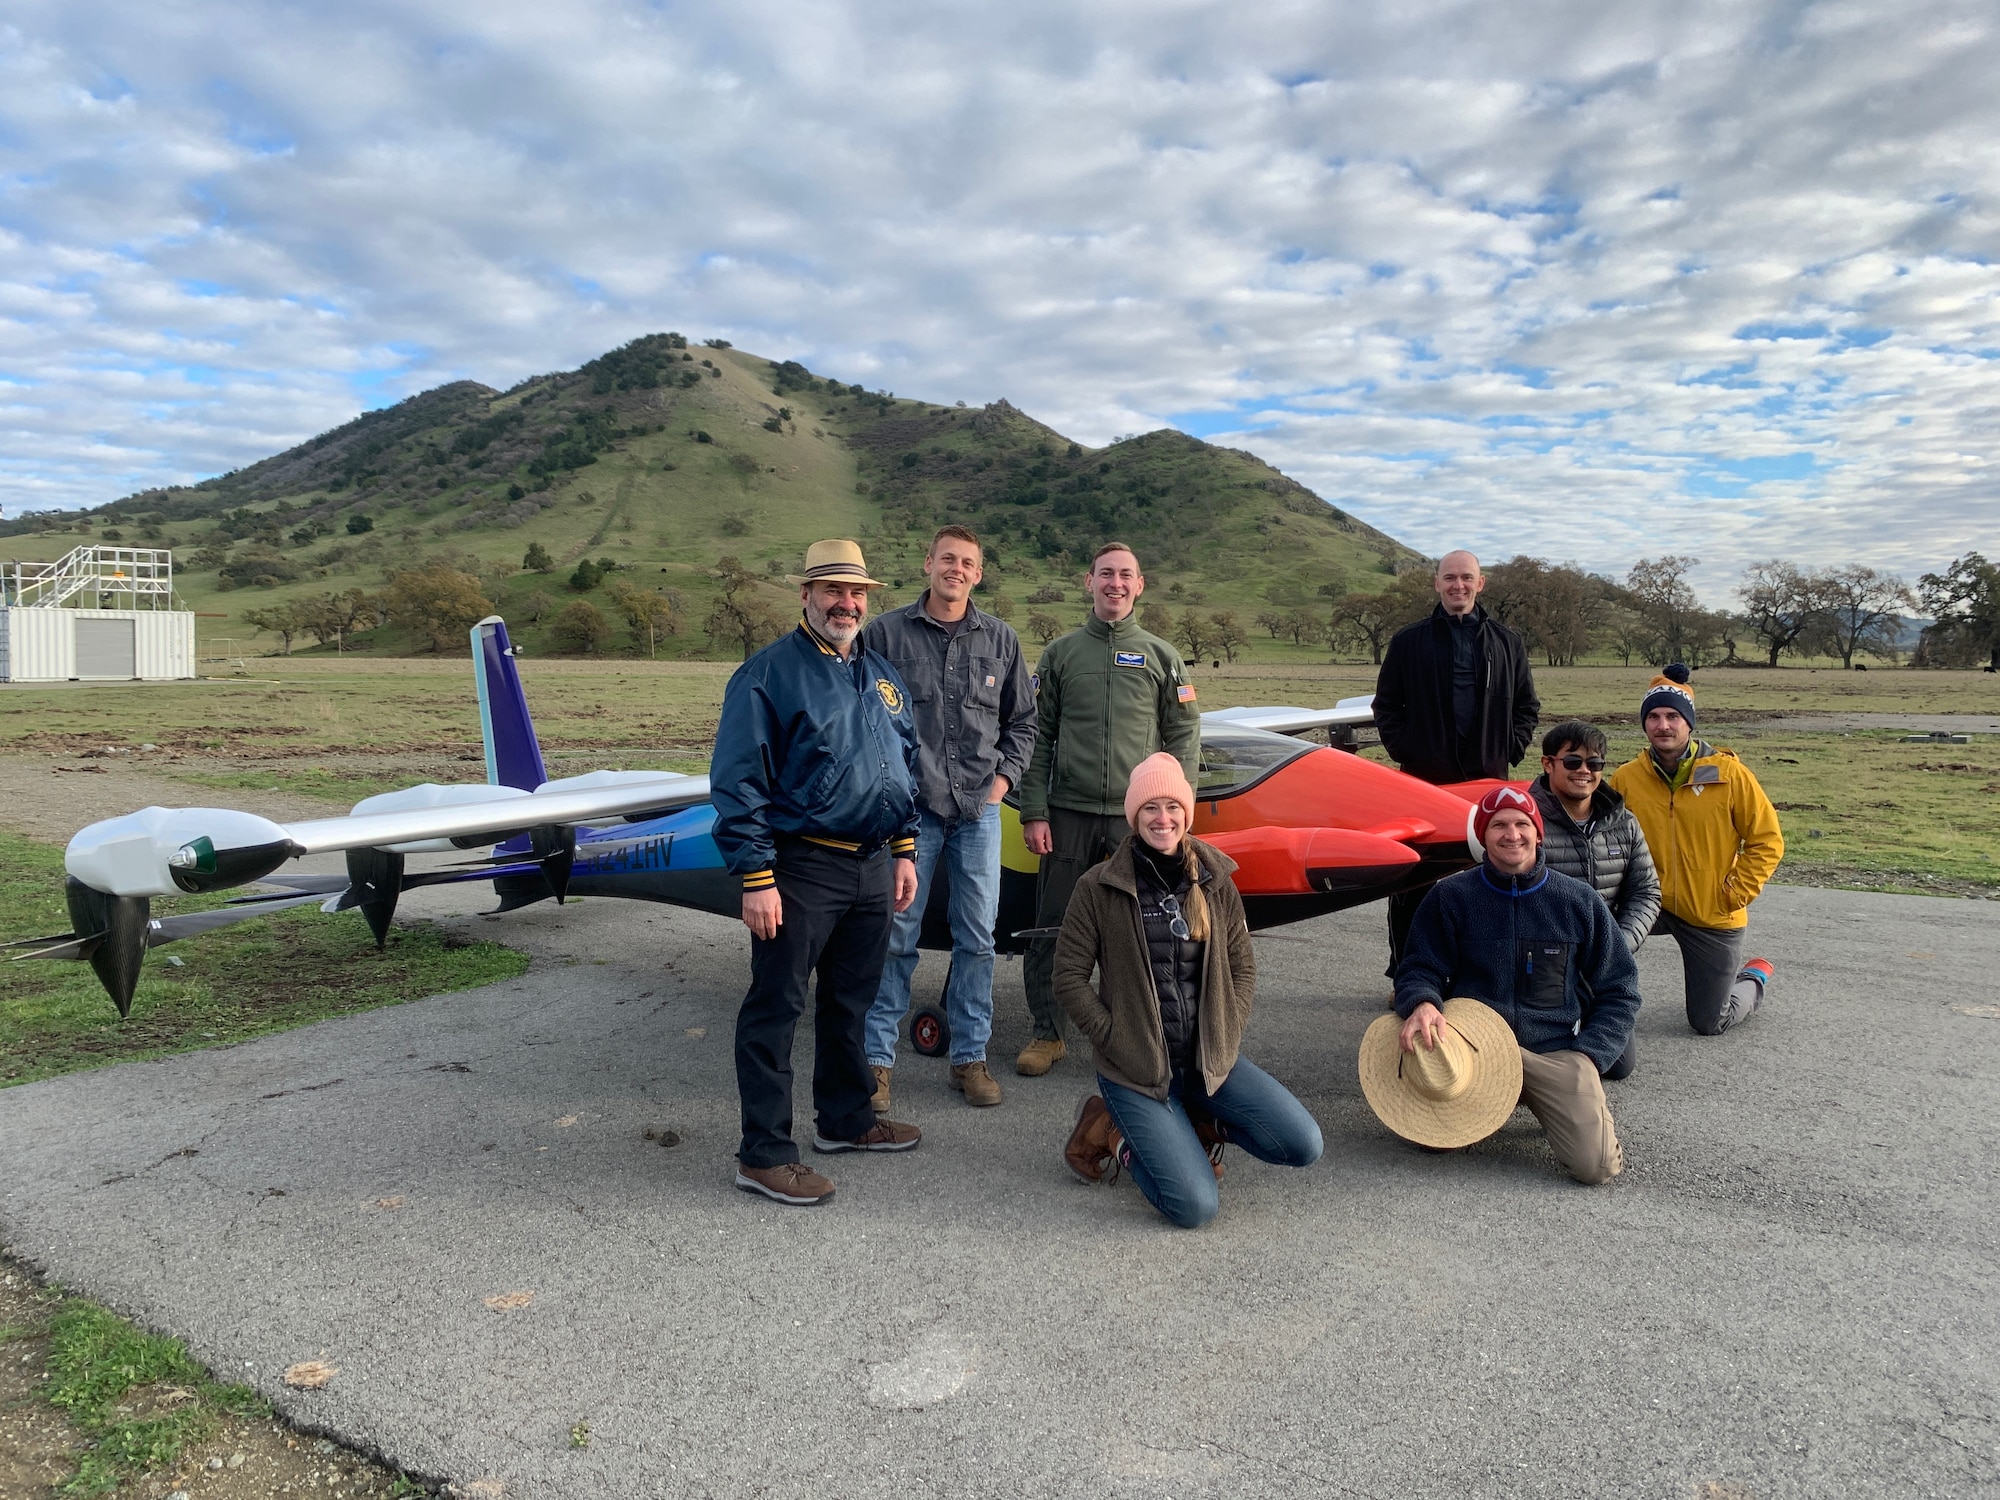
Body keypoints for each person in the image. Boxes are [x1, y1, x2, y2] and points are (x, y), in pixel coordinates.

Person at [710, 539, 925, 1206]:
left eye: (856, 592)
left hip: (870, 864)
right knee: (776, 1007)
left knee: (850, 1003)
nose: (846, 602)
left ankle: (846, 1119)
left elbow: (904, 761)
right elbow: (739, 779)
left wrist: (906, 848)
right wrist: (756, 877)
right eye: (832, 589)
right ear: (805, 595)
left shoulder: (878, 671)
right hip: (800, 865)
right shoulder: (767, 675)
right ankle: (764, 1152)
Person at [1054, 754, 1323, 1228]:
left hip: (1208, 1064)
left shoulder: (1215, 880)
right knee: (1195, 1207)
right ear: (1133, 816)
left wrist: (1227, 1030)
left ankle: (1195, 1122)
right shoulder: (1097, 888)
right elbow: (1068, 978)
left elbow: (1242, 967)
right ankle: (1112, 1132)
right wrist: (1115, 1039)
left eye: (1172, 807)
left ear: (1187, 812)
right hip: (1137, 1071)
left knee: (1302, 1143)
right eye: (1151, 808)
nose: (1164, 819)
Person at [1377, 785, 1640, 1184]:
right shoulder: (1450, 896)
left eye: (1521, 824)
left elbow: (1620, 989)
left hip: (1555, 1052)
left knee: (1596, 1168)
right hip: (1472, 1050)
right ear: (1483, 836)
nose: (1511, 834)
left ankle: (1572, 1108)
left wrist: (1590, 1055)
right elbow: (1417, 968)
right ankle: (1493, 1107)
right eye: (1498, 825)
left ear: (1538, 832)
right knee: (1434, 1144)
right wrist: (1423, 1002)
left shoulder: (1578, 901)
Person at [858, 525, 1036, 1111]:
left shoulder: (1002, 640)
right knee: (898, 936)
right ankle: (877, 1064)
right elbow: (861, 716)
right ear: (928, 563)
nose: (956, 569)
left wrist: (1003, 783)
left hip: (979, 814)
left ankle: (970, 1059)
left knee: (978, 938)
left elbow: (1023, 725)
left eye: (968, 563)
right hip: (910, 816)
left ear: (978, 574)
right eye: (947, 559)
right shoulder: (884, 634)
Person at [1015, 543, 1201, 1077]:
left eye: (1125, 575)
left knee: (1143, 929)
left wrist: (1176, 806)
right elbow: (1038, 737)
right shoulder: (1061, 654)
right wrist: (1034, 810)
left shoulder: (1163, 656)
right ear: (1088, 582)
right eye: (1105, 575)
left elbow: (1184, 732)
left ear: (1139, 585)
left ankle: (1138, 1035)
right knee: (1053, 925)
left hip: (1137, 820)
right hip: (1067, 813)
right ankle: (1047, 1033)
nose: (1115, 583)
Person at [1372, 551, 1541, 968]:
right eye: (1450, 578)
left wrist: (1509, 750)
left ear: (1480, 584)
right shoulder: (1409, 641)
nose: (1458, 586)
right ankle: (1408, 970)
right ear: (1436, 583)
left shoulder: (1507, 642)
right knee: (1414, 881)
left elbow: (1526, 706)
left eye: (1467, 578)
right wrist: (1408, 751)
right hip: (1423, 782)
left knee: (1489, 875)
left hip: (1486, 782)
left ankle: (1478, 972)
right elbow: (1386, 706)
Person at [1607, 665, 1783, 1037]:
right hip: (1649, 903)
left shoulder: (1729, 774)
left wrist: (1734, 892)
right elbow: (1606, 837)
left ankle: (1753, 977)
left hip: (1710, 909)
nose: (1663, 725)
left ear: (1689, 724)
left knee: (1709, 1021)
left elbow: (1767, 840)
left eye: (1673, 716)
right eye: (1653, 717)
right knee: (1596, 939)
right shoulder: (1627, 778)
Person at [1528, 718, 1661, 1081]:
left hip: (1602, 961)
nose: (1584, 771)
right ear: (1548, 764)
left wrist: (1616, 944)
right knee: (1535, 1057)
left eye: (1595, 763)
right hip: (1542, 963)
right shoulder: (1524, 822)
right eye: (1573, 761)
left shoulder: (1625, 823)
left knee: (1617, 1065)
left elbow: (1647, 891)